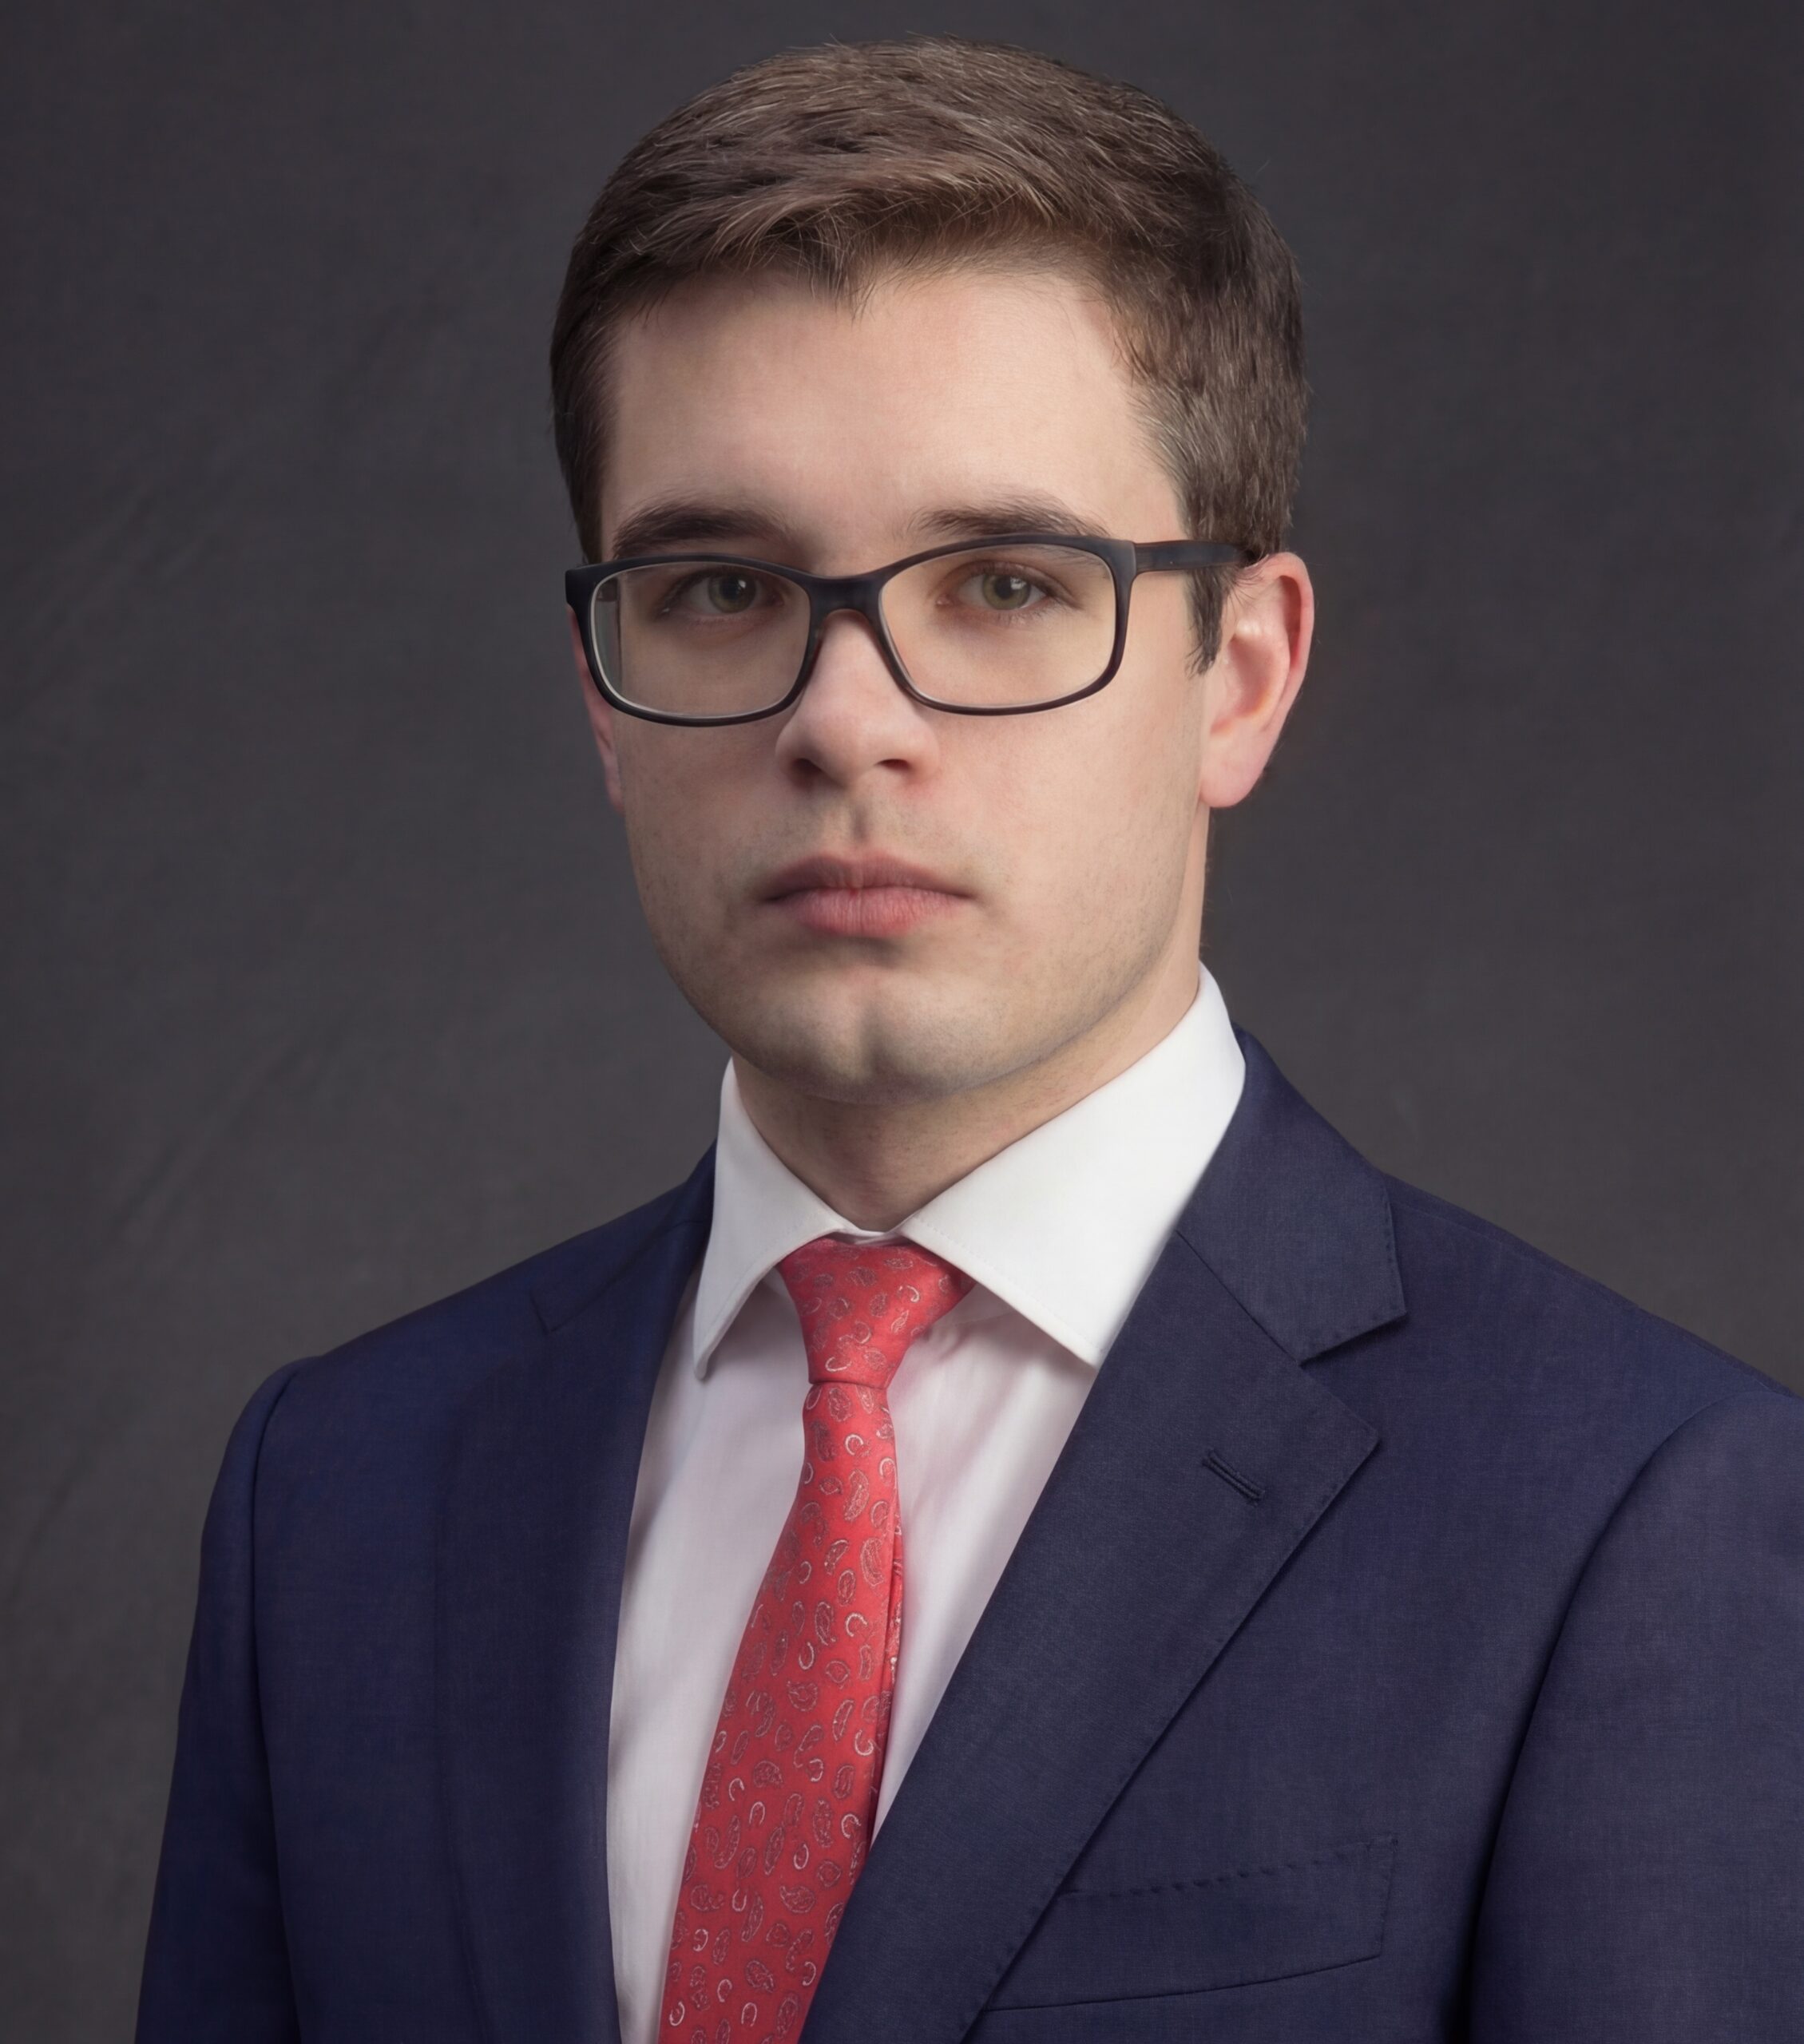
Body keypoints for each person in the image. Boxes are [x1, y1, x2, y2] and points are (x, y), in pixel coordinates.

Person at [136, 35, 1802, 2044]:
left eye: (1005, 583)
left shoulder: (1636, 1508)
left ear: (1236, 676)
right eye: (720, 585)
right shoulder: (337, 1489)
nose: (843, 719)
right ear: (599, 692)